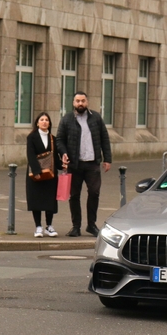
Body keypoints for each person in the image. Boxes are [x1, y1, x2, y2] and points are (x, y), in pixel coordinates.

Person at [55, 92, 112, 237]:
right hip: (75, 164)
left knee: (94, 193)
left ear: (87, 102)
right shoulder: (67, 119)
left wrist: (107, 159)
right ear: (73, 103)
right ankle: (76, 226)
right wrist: (64, 153)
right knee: (74, 196)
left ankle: (91, 225)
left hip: (92, 163)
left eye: (83, 101)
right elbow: (59, 139)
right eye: (77, 101)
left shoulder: (96, 118)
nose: (80, 103)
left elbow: (104, 138)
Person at [26, 112, 65, 238]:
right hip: (35, 174)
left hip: (51, 175)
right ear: (37, 123)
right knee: (36, 200)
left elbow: (54, 157)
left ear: (49, 123)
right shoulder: (31, 137)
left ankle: (49, 226)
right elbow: (30, 155)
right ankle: (38, 226)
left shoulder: (53, 138)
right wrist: (37, 171)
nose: (44, 122)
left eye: (46, 120)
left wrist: (62, 166)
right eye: (41, 119)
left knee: (50, 201)